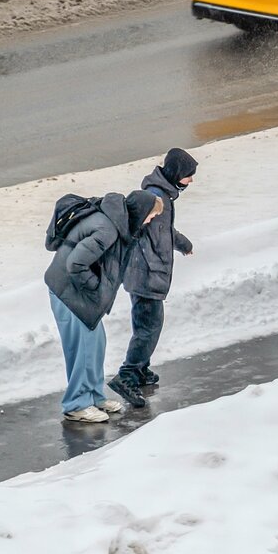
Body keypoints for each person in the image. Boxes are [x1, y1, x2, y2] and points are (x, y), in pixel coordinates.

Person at [45, 190, 161, 423]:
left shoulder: (115, 225)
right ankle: (76, 404)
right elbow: (75, 263)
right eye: (151, 216)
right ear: (140, 213)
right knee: (82, 349)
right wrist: (95, 287)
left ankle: (94, 396)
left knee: (96, 344)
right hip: (68, 292)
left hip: (77, 293)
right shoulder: (107, 229)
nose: (150, 221)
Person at [110, 148, 197, 408]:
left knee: (145, 325)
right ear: (176, 174)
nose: (191, 181)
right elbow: (135, 232)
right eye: (188, 175)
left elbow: (164, 231)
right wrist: (149, 264)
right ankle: (127, 375)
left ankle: (140, 369)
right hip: (145, 275)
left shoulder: (163, 197)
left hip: (146, 272)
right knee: (150, 327)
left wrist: (182, 244)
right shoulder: (155, 196)